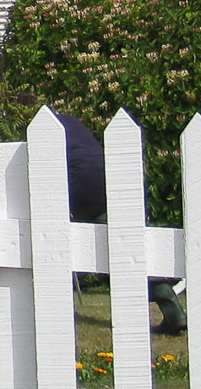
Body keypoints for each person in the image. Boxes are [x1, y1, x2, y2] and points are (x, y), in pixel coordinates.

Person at [54, 110, 186, 336]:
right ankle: (173, 310)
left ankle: (55, 307)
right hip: (106, 183)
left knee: (67, 246)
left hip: (79, 184)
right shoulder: (68, 120)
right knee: (120, 251)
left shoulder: (40, 128)